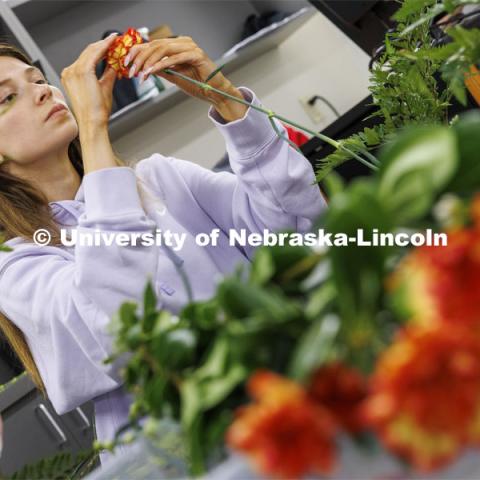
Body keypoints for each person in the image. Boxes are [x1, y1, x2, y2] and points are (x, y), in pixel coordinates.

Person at [0, 34, 327, 466]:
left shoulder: (161, 180)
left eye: (38, 78)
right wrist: (95, 130)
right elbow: (119, 319)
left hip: (286, 411)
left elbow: (300, 231)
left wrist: (227, 99)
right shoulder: (18, 265)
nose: (43, 90)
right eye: (7, 98)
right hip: (182, 460)